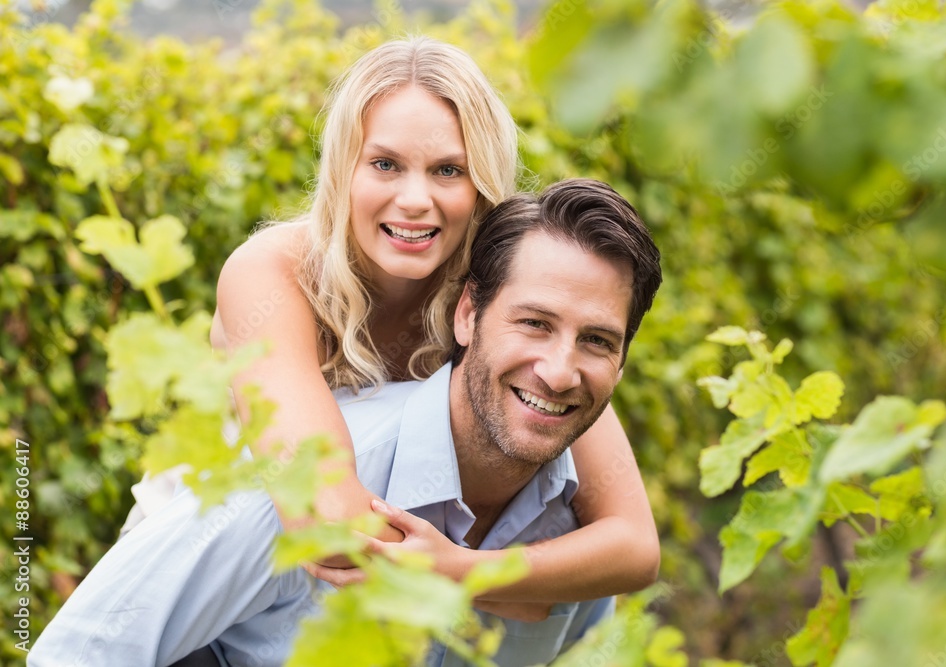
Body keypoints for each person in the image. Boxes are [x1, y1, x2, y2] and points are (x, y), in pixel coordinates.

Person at [122, 37, 659, 618]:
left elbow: (633, 544)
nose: (414, 199)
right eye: (385, 164)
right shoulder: (272, 273)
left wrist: (465, 572)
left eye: (448, 170)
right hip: (191, 582)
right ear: (343, 169)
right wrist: (529, 588)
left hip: (324, 612)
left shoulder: (500, 295)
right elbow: (327, 519)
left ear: (481, 182)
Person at [29, 178, 663, 667]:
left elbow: (633, 554)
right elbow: (80, 650)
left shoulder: (574, 542)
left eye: (598, 342)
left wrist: (463, 575)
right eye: (534, 322)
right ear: (467, 315)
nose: (558, 370)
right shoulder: (286, 492)